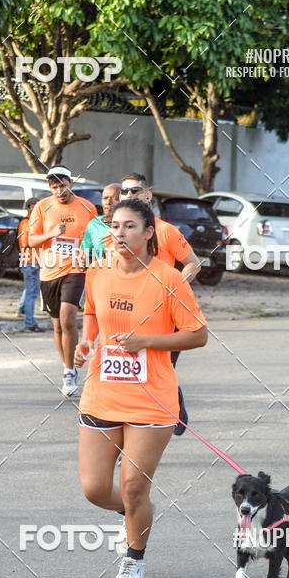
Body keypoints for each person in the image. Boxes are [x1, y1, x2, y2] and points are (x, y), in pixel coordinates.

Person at [74, 198, 208, 578]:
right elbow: (92, 314)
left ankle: (134, 557)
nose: (119, 233)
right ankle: (132, 514)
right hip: (102, 393)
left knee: (134, 485)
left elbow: (198, 335)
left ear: (150, 232)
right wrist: (86, 342)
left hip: (152, 399)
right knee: (95, 488)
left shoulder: (170, 278)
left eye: (130, 226)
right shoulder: (97, 273)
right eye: (114, 226)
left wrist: (146, 341)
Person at [120, 172, 201, 433]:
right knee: (132, 374)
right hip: (131, 311)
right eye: (125, 192)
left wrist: (174, 287)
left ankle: (167, 409)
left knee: (160, 369)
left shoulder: (165, 231)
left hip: (165, 314)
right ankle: (136, 427)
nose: (129, 196)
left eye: (135, 191)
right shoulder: (119, 233)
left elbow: (193, 263)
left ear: (147, 194)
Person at [28, 166, 97, 396]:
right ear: (50, 187)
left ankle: (69, 372)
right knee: (57, 325)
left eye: (63, 185)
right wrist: (51, 234)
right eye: (55, 186)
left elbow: (96, 236)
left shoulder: (87, 207)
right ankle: (68, 365)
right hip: (49, 273)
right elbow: (31, 241)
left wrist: (92, 257)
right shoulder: (42, 206)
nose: (59, 191)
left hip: (76, 269)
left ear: (72, 183)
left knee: (68, 319)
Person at [17, 196, 42, 331]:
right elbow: (26, 243)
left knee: (29, 289)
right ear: (29, 208)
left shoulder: (32, 222)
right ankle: (30, 323)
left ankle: (22, 309)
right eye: (35, 205)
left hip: (32, 261)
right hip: (30, 261)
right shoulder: (28, 223)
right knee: (32, 292)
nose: (38, 208)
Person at [80, 183, 121, 261]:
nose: (108, 202)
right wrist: (83, 262)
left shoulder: (132, 225)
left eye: (114, 198)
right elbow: (88, 256)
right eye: (105, 198)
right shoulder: (94, 224)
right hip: (102, 272)